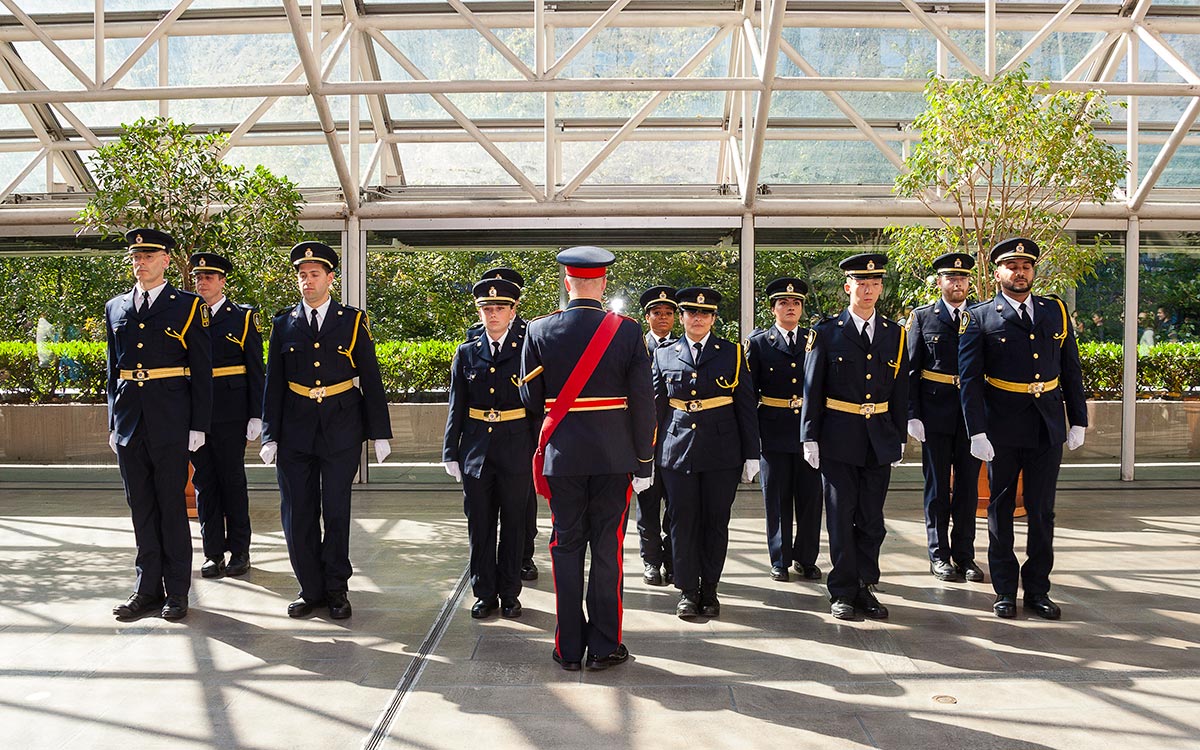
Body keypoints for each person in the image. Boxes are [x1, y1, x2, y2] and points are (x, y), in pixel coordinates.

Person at [520, 246, 655, 672]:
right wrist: (644, 458)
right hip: (615, 458)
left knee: (565, 546)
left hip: (563, 458)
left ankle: (568, 646)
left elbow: (528, 400)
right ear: (603, 284)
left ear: (567, 283)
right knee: (607, 550)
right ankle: (604, 646)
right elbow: (643, 403)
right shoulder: (629, 331)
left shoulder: (539, 331)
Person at [260, 241, 393, 620]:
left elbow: (370, 376)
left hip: (341, 427)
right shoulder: (283, 323)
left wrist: (378, 431)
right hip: (295, 429)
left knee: (335, 510)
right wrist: (270, 433)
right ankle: (310, 589)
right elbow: (274, 381)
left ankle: (336, 589)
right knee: (297, 512)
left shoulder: (352, 321)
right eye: (302, 275)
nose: (307, 281)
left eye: (314, 274)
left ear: (330, 278)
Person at [959, 237, 1087, 620]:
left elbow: (1071, 369)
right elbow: (970, 380)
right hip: (1002, 427)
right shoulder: (980, 316)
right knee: (1000, 510)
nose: (1020, 272)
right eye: (1012, 266)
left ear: (1033, 271)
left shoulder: (1055, 311)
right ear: (997, 273)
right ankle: (1004, 591)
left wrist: (1077, 418)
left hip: (1047, 425)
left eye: (1026, 266)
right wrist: (976, 431)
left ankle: (1037, 590)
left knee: (1042, 511)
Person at [105, 228, 212, 621]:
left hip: (171, 420)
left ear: (166, 260)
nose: (141, 262)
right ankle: (146, 588)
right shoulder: (116, 307)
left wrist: (198, 424)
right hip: (131, 420)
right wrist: (113, 421)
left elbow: (201, 370)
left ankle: (177, 592)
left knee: (170, 506)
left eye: (149, 255)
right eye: (136, 255)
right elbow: (112, 370)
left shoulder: (187, 306)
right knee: (141, 507)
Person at [801, 252, 909, 621]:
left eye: (875, 283)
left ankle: (865, 585)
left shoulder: (896, 334)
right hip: (838, 436)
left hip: (878, 437)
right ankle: (843, 590)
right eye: (861, 283)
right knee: (840, 515)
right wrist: (809, 436)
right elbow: (812, 387)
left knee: (871, 519)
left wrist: (899, 438)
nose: (868, 290)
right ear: (848, 287)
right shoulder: (827, 332)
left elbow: (900, 390)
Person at [654, 287, 759, 619]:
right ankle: (687, 590)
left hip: (721, 453)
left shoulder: (732, 353)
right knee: (681, 522)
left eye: (705, 314)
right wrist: (646, 455)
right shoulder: (663, 354)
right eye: (691, 313)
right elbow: (654, 409)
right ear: (682, 317)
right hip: (676, 451)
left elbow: (745, 407)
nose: (698, 318)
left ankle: (710, 589)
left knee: (716, 522)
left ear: (714, 318)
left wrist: (751, 454)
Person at [443, 278, 537, 619]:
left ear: (513, 311)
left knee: (514, 526)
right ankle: (484, 593)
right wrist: (450, 451)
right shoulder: (466, 351)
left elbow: (537, 406)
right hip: (476, 451)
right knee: (480, 526)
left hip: (516, 447)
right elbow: (457, 403)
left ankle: (510, 593)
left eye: (499, 308)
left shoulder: (528, 349)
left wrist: (539, 448)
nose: (492, 314)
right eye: (486, 308)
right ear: (479, 311)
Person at [905, 252, 984, 584]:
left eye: (963, 279)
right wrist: (912, 415)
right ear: (939, 283)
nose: (958, 284)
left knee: (968, 489)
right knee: (937, 487)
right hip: (935, 414)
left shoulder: (981, 316)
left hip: (971, 417)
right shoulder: (923, 318)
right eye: (951, 279)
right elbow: (910, 369)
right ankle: (938, 554)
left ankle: (965, 554)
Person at [188, 251, 264, 579]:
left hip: (232, 413)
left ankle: (240, 551)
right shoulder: (186, 315)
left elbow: (255, 370)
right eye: (198, 278)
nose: (202, 282)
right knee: (205, 482)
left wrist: (255, 414)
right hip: (197, 414)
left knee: (232, 481)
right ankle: (212, 553)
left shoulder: (242, 317)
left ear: (222, 281)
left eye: (209, 277)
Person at [746, 277, 823, 583]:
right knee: (776, 499)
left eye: (796, 304)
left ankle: (806, 558)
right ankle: (779, 558)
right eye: (783, 303)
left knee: (809, 498)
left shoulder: (813, 341)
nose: (790, 308)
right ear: (773, 309)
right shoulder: (759, 343)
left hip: (808, 432)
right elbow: (749, 395)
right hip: (773, 430)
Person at [467, 267, 538, 582]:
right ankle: (487, 581)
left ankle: (523, 558)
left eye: (502, 300)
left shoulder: (530, 335)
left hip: (515, 439)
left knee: (521, 510)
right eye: (487, 304)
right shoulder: (473, 338)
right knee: (482, 519)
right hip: (482, 440)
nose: (493, 310)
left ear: (515, 303)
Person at [635, 285, 678, 586]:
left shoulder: (683, 346)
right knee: (647, 504)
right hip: (645, 440)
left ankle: (674, 559)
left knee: (676, 505)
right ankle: (651, 561)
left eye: (668, 313)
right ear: (647, 316)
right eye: (657, 313)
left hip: (676, 439)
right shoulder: (636, 347)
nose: (662, 318)